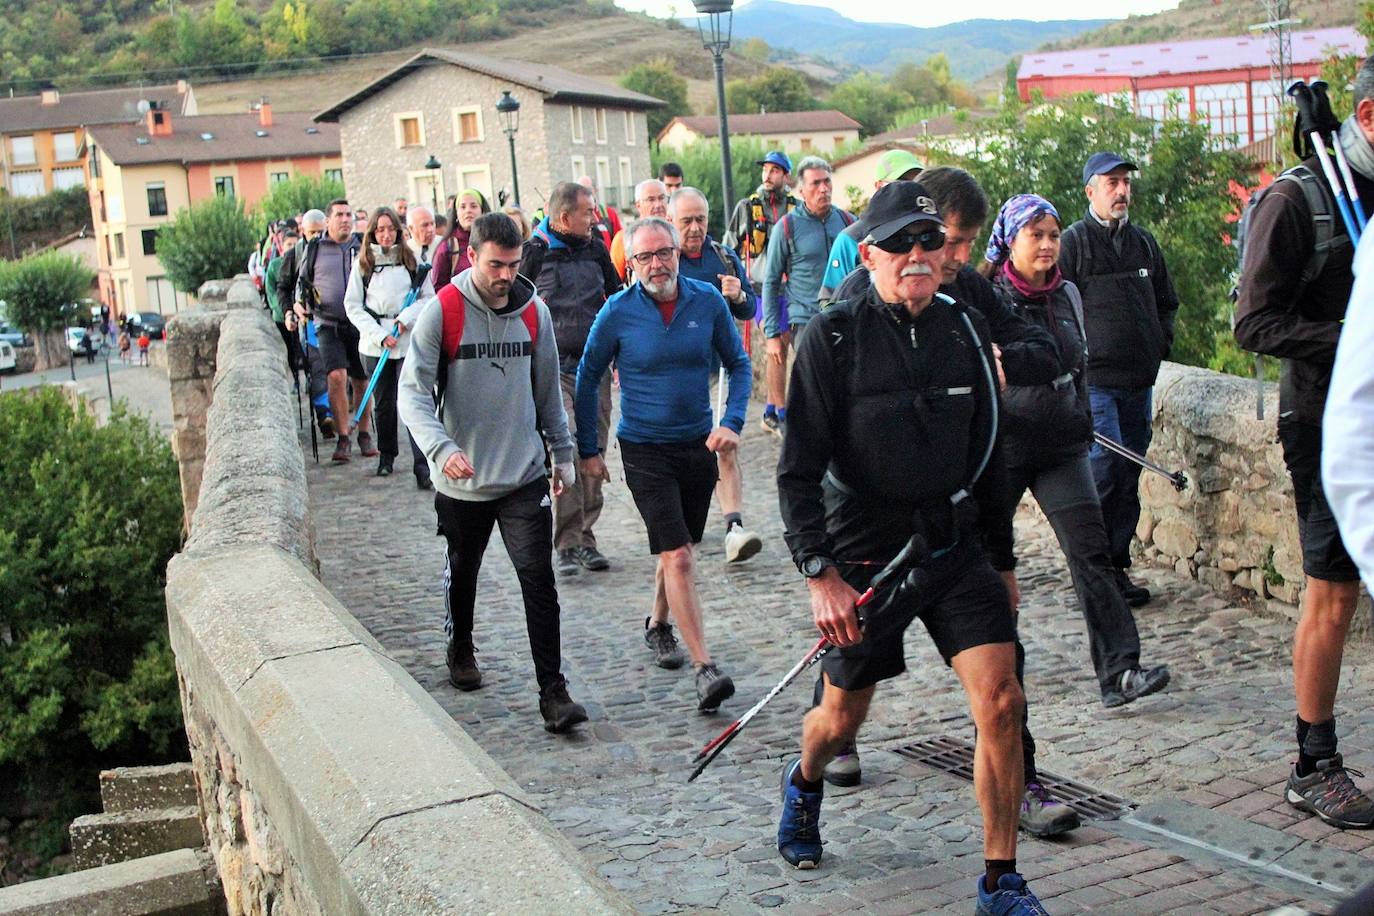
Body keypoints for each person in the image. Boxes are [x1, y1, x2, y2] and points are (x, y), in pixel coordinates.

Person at [774, 181, 1048, 914]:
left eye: (930, 241)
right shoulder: (830, 340)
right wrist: (818, 573)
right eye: (901, 244)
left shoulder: (963, 329)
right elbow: (797, 473)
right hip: (864, 552)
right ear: (869, 253)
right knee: (840, 720)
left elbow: (990, 457)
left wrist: (1003, 558)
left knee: (1002, 701)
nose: (919, 256)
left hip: (951, 543)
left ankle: (1001, 881)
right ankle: (802, 784)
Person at [1236, 58, 1374, 830]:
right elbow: (1254, 323)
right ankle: (1312, 762)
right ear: (1368, 115)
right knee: (1335, 586)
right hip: (1326, 422)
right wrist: (1358, 339)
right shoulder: (1296, 200)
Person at [398, 212, 588, 734]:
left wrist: (563, 454)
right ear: (471, 257)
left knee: (538, 579)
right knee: (463, 569)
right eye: (494, 265)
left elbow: (548, 390)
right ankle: (460, 645)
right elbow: (411, 394)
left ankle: (553, 692)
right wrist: (440, 448)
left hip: (523, 475)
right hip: (461, 479)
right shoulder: (444, 312)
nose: (504, 275)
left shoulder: (534, 314)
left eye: (512, 263)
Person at [982, 192, 1170, 709]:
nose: (1047, 245)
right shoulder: (988, 301)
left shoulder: (1067, 295)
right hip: (1005, 447)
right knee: (993, 565)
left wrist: (1083, 419)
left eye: (1052, 235)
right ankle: (999, 677)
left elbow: (1081, 365)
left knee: (1092, 555)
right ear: (1009, 241)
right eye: (1035, 236)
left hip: (1062, 445)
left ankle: (1120, 671)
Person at [576, 217, 750, 712]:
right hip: (644, 447)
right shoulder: (617, 312)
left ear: (677, 252)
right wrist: (589, 449)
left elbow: (738, 364)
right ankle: (704, 668)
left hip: (697, 444)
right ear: (629, 264)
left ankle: (657, 624)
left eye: (664, 253)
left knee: (677, 546)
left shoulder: (707, 301)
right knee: (678, 556)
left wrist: (732, 420)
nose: (657, 264)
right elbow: (588, 379)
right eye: (645, 257)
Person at [1059, 152, 1180, 607]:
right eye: (1111, 183)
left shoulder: (1144, 244)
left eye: (1125, 182)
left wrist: (1159, 342)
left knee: (1128, 474)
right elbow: (1058, 308)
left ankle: (1117, 568)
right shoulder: (1074, 244)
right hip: (1096, 383)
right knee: (1104, 471)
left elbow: (1167, 301)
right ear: (1090, 190)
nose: (1122, 190)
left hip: (1139, 380)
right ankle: (1094, 574)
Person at [521, 182, 623, 578]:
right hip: (552, 370)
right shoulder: (533, 253)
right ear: (565, 217)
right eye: (588, 212)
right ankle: (567, 543)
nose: (595, 218)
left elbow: (615, 298)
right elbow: (515, 306)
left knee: (592, 451)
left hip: (593, 367)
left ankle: (585, 535)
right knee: (567, 447)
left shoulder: (597, 247)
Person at [669, 186, 762, 566]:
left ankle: (733, 527)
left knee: (725, 444)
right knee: (688, 453)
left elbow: (749, 308)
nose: (694, 228)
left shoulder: (722, 256)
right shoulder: (664, 259)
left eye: (700, 220)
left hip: (719, 368)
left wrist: (739, 295)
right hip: (677, 374)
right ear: (672, 222)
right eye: (686, 221)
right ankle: (686, 520)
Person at [761, 156, 854, 435]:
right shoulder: (787, 227)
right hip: (805, 319)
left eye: (827, 182)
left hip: (845, 317)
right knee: (815, 383)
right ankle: (808, 441)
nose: (823, 188)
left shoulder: (848, 221)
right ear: (801, 190)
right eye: (816, 183)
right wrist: (771, 335)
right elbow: (771, 281)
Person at [345, 206, 436, 483]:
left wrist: (404, 320)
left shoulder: (412, 262)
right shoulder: (363, 264)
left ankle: (423, 465)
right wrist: (378, 334)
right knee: (384, 403)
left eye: (390, 229)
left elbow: (426, 297)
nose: (385, 235)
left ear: (398, 230)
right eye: (380, 229)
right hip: (376, 345)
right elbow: (353, 306)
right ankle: (387, 455)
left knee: (414, 400)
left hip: (407, 340)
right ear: (373, 232)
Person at [295, 198, 373, 464]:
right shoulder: (315, 248)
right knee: (337, 377)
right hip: (327, 322)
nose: (345, 219)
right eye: (339, 214)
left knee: (362, 381)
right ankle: (343, 437)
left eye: (348, 214)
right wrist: (299, 305)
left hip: (360, 322)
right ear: (328, 220)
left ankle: (364, 433)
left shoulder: (362, 246)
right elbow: (302, 282)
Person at [726, 150, 798, 435]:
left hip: (790, 287)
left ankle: (770, 410)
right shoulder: (747, 207)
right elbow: (729, 247)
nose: (768, 175)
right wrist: (734, 285)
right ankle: (781, 414)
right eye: (765, 169)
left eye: (775, 170)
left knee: (780, 347)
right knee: (777, 345)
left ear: (786, 175)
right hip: (759, 288)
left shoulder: (796, 208)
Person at [818, 149, 923, 303]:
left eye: (916, 182)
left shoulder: (930, 235)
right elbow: (828, 300)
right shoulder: (851, 239)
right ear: (879, 186)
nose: (909, 189)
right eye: (901, 182)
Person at [430, 189, 491, 291]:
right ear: (456, 213)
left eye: (473, 206)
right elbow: (439, 288)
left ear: (482, 211)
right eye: (462, 207)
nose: (468, 210)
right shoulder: (448, 246)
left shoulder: (494, 240)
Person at [610, 179, 670, 281]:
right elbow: (616, 281)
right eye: (651, 200)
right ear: (638, 205)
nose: (658, 205)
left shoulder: (675, 234)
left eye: (661, 198)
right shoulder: (623, 239)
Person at [265, 230, 303, 374]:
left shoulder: (303, 261)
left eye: (295, 244)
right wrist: (283, 309)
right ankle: (294, 375)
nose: (292, 247)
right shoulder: (275, 265)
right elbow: (271, 290)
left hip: (301, 312)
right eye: (289, 244)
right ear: (282, 246)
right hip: (282, 316)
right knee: (290, 348)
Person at [576, 175, 622, 250]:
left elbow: (620, 242)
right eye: (580, 191)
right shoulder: (574, 216)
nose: (584, 194)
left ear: (595, 190)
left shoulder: (609, 214)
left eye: (587, 190)